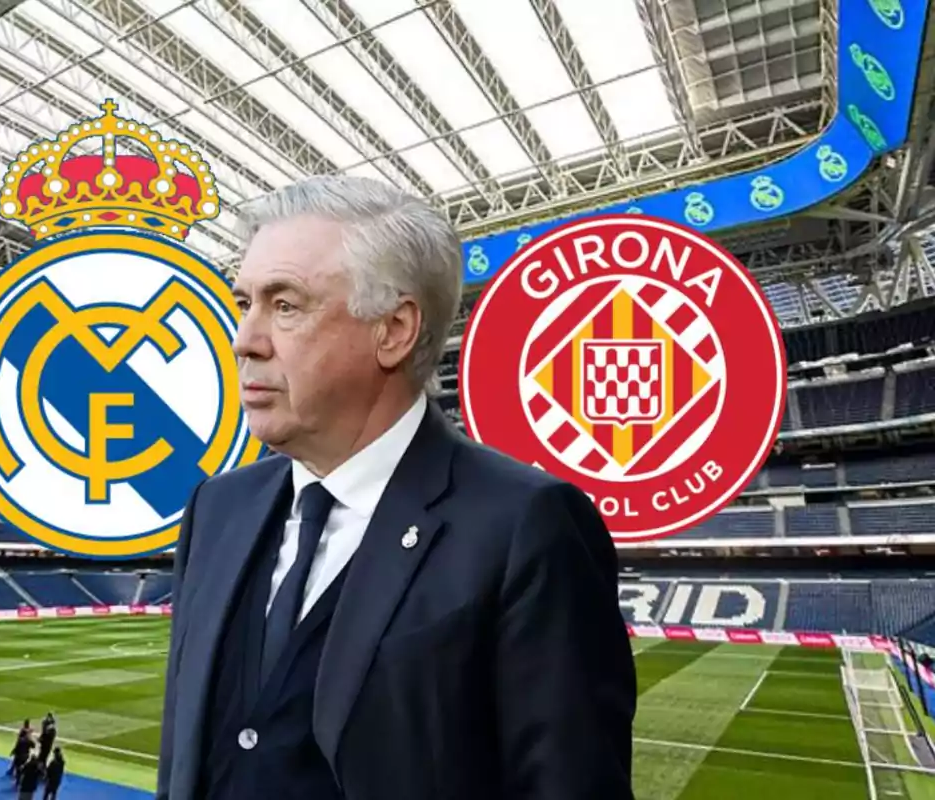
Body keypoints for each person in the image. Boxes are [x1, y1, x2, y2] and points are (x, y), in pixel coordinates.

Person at [155, 175, 636, 800]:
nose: (245, 339)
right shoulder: (217, 509)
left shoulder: (525, 526)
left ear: (394, 330)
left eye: (286, 305)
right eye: (245, 301)